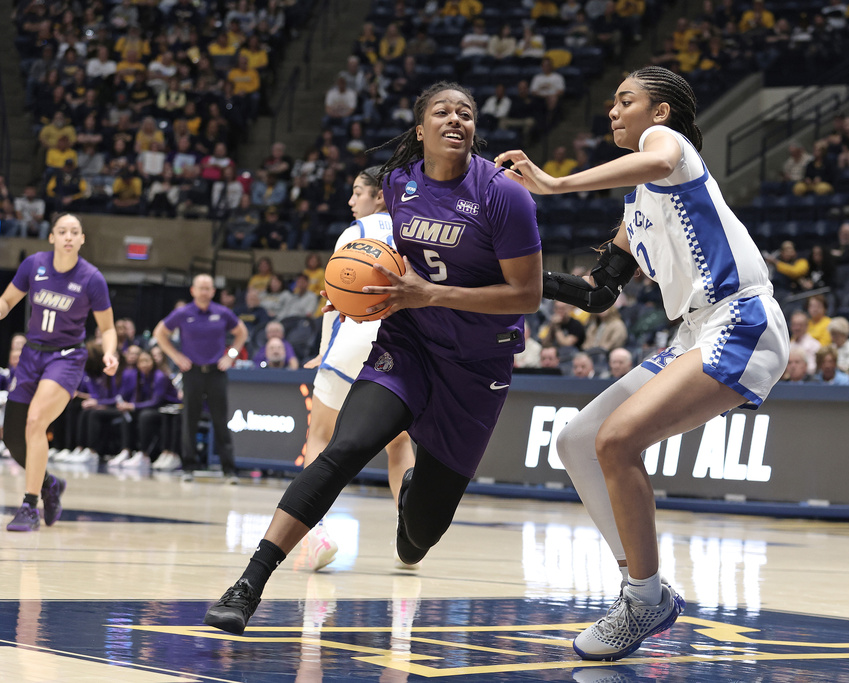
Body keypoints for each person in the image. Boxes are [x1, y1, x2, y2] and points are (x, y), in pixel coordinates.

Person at [203, 80, 543, 635]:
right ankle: (248, 584)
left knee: (420, 537)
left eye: (466, 113)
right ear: (420, 130)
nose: (456, 120)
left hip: (477, 366)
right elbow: (388, 260)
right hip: (408, 345)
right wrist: (348, 289)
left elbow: (526, 295)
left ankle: (412, 505)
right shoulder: (399, 183)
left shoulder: (504, 194)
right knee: (346, 447)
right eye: (443, 112)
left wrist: (432, 293)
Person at [492, 66, 788, 660]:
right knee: (578, 440)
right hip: (694, 331)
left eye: (626, 100)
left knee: (617, 441)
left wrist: (552, 185)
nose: (613, 110)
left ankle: (643, 596)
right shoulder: (636, 212)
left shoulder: (670, 150)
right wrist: (520, 280)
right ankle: (644, 590)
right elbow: (600, 294)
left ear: (660, 113)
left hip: (739, 318)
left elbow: (653, 163)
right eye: (612, 101)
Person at [296, 167, 418, 572]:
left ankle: (317, 535)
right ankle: (410, 535)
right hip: (397, 342)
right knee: (399, 445)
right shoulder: (416, 228)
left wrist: (322, 350)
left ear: (379, 196)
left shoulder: (357, 230)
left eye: (356, 192)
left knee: (320, 436)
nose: (352, 201)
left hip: (353, 336)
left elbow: (336, 294)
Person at [0, 214, 119, 531]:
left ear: (82, 239)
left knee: (36, 421)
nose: (68, 236)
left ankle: (29, 506)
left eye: (75, 232)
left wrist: (109, 352)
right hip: (31, 355)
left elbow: (107, 328)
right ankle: (50, 484)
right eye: (62, 231)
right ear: (51, 236)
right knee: (13, 439)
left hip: (66, 358)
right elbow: (7, 301)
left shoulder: (91, 278)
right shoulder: (34, 265)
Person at [153, 274, 248, 483]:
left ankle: (229, 470)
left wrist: (230, 356)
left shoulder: (222, 313)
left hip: (216, 372)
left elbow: (242, 332)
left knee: (221, 420)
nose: (204, 292)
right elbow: (160, 333)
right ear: (193, 291)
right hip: (192, 372)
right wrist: (176, 356)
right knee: (189, 420)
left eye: (208, 288)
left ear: (213, 291)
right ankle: (188, 467)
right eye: (201, 288)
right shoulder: (183, 313)